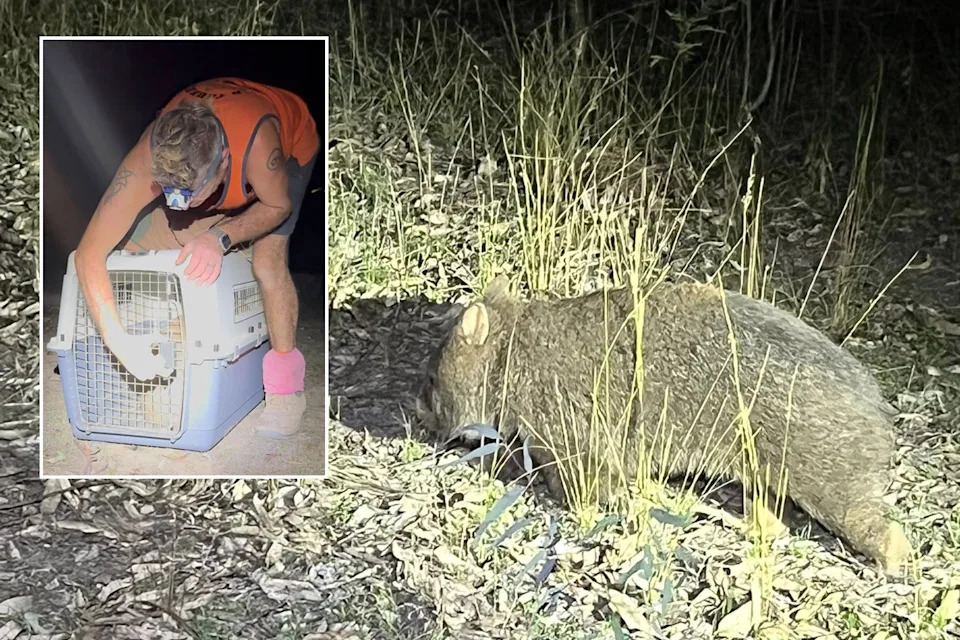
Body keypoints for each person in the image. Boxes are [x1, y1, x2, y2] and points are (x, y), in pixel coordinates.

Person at [74, 77, 319, 438]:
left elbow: (278, 206)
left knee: (266, 262)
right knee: (142, 240)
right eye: (167, 190)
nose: (178, 202)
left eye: (187, 192)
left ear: (223, 163)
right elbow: (88, 253)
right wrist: (119, 342)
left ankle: (287, 389)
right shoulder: (152, 151)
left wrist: (220, 237)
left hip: (293, 143)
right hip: (209, 155)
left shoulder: (258, 147)